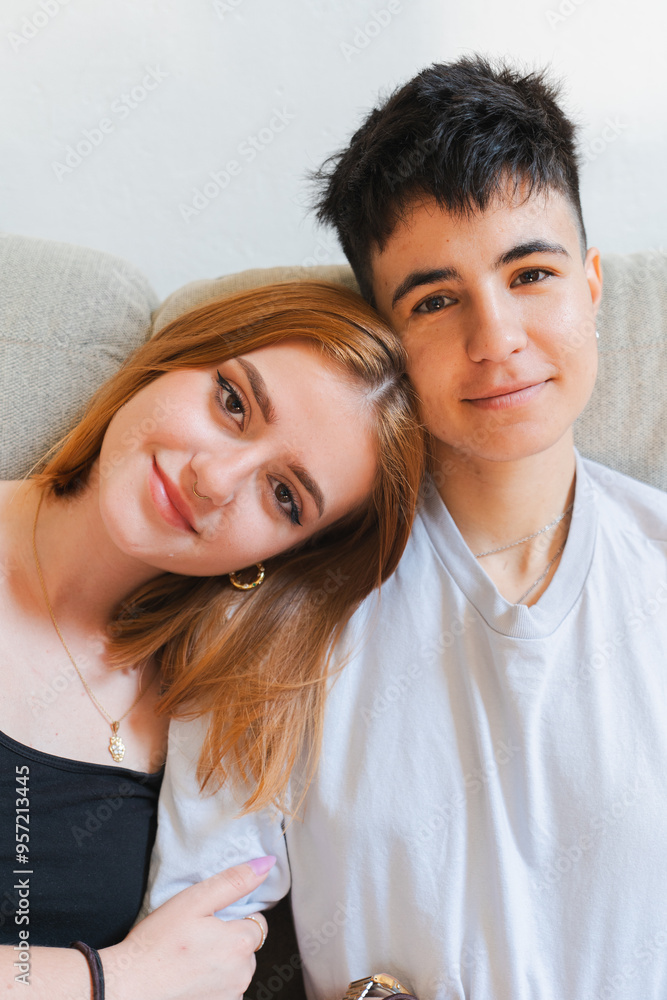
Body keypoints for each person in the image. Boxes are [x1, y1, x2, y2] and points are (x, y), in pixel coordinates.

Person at [146, 57, 667, 1000]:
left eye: (531, 273)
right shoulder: (273, 613)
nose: (496, 339)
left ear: (591, 287)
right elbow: (186, 952)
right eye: (434, 300)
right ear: (385, 342)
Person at [0, 280, 424, 999]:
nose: (215, 478)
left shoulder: (209, 728)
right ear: (175, 357)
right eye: (232, 403)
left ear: (286, 555)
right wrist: (112, 980)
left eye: (284, 496)